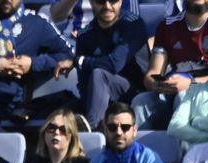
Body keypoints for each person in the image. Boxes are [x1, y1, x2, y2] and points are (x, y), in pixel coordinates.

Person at [60, 0, 151, 133]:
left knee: (99, 75)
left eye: (113, 1)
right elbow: (84, 84)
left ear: (121, 2)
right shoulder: (85, 35)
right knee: (61, 113)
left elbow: (114, 64)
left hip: (135, 92)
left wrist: (80, 61)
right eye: (100, 1)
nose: (107, 6)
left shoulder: (133, 24)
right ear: (91, 2)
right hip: (102, 100)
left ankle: (94, 133)